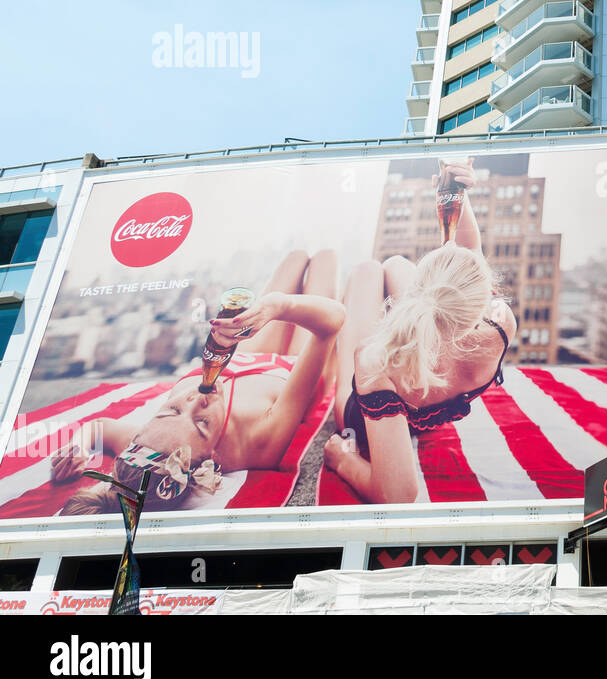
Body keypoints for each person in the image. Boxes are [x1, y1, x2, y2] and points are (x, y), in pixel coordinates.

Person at [51, 250, 344, 514]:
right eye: (203, 424)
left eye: (172, 410)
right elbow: (331, 322)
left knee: (294, 259)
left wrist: (78, 446)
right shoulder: (258, 443)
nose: (196, 400)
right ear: (210, 459)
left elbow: (98, 427)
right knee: (325, 261)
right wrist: (278, 307)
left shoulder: (152, 445)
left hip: (243, 362)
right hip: (289, 372)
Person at [324, 161, 517, 504]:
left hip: (361, 420)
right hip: (417, 386)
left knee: (367, 271)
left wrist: (343, 460)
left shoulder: (375, 362)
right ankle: (400, 275)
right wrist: (459, 195)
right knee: (396, 264)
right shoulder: (500, 323)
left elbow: (397, 494)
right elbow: (470, 256)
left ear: (420, 292)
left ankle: (373, 277)